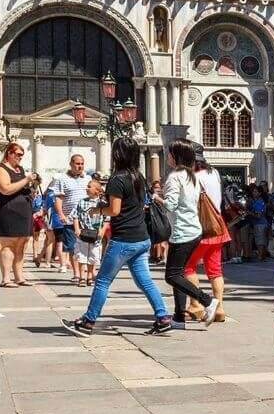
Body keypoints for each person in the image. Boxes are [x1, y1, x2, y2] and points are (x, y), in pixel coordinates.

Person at [61, 138, 172, 336]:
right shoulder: (138, 176)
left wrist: (97, 210)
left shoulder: (117, 179)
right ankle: (163, 317)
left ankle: (88, 322)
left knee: (103, 281)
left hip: (124, 239)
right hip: (142, 238)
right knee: (145, 280)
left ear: (117, 155)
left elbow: (114, 210)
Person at [157, 141, 220, 329]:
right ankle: (178, 316)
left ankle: (207, 301)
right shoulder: (190, 175)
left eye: (169, 154)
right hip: (194, 230)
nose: (167, 157)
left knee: (171, 276)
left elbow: (171, 205)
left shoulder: (175, 176)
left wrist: (156, 198)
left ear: (176, 156)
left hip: (182, 232)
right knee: (179, 273)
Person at [183, 143, 230, 322]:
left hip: (199, 229)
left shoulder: (192, 177)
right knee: (215, 269)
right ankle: (219, 308)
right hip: (216, 226)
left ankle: (195, 305)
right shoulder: (214, 173)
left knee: (188, 267)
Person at [0, 142, 37, 287]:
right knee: (8, 244)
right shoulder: (0, 169)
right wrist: (26, 180)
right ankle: (6, 278)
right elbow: (5, 189)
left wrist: (31, 189)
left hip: (23, 211)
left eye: (22, 155)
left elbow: (20, 188)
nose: (20, 157)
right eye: (17, 154)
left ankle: (19, 277)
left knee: (21, 244)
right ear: (9, 153)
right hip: (7, 211)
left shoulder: (19, 169)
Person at [71, 176, 106, 288]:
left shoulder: (101, 203)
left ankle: (90, 276)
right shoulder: (82, 202)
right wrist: (77, 229)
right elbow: (75, 216)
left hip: (96, 233)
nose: (87, 188)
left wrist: (102, 231)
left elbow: (107, 219)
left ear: (97, 191)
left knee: (93, 255)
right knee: (81, 255)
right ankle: (82, 276)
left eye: (89, 187)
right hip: (83, 232)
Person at [29, 175, 46, 265]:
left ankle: (35, 256)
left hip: (37, 218)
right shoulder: (28, 197)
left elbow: (43, 206)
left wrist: (40, 212)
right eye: (33, 192)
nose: (34, 193)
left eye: (36, 192)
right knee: (27, 238)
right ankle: (33, 255)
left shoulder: (40, 197)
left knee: (36, 237)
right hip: (29, 217)